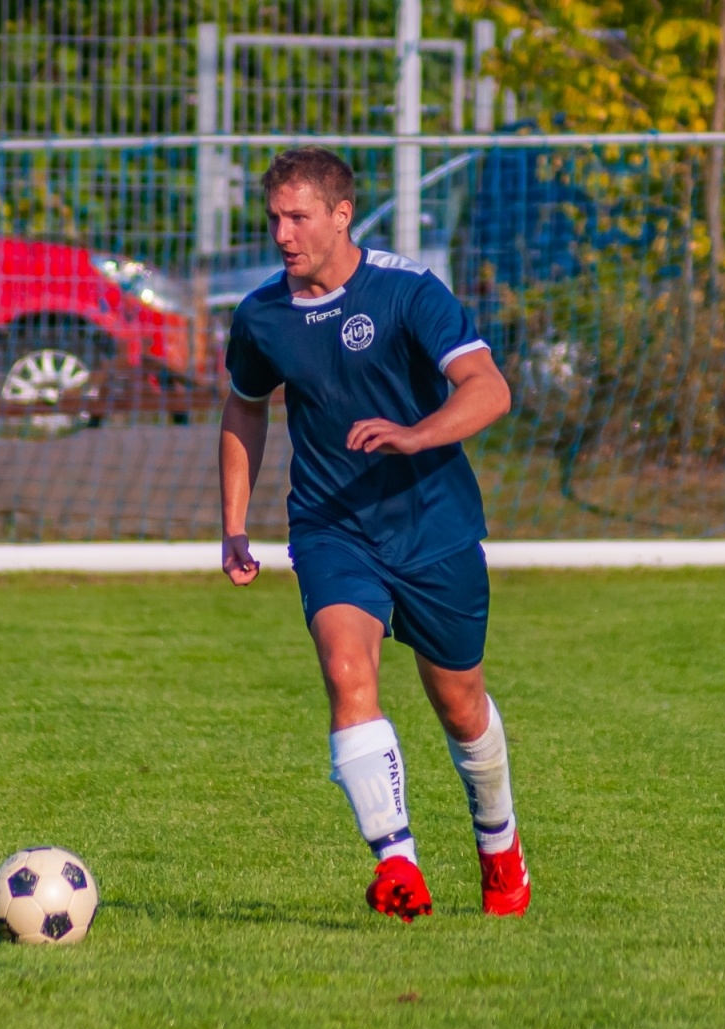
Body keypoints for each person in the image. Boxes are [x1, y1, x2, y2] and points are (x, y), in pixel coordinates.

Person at [218, 147, 529, 921]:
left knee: (460, 706)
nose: (283, 235)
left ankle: (500, 845)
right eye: (274, 219)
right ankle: (399, 867)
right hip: (331, 526)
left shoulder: (407, 290)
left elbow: (490, 389)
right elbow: (245, 406)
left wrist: (418, 435)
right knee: (346, 674)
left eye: (299, 217)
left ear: (341, 214)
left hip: (433, 524)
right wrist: (232, 523)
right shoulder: (262, 316)